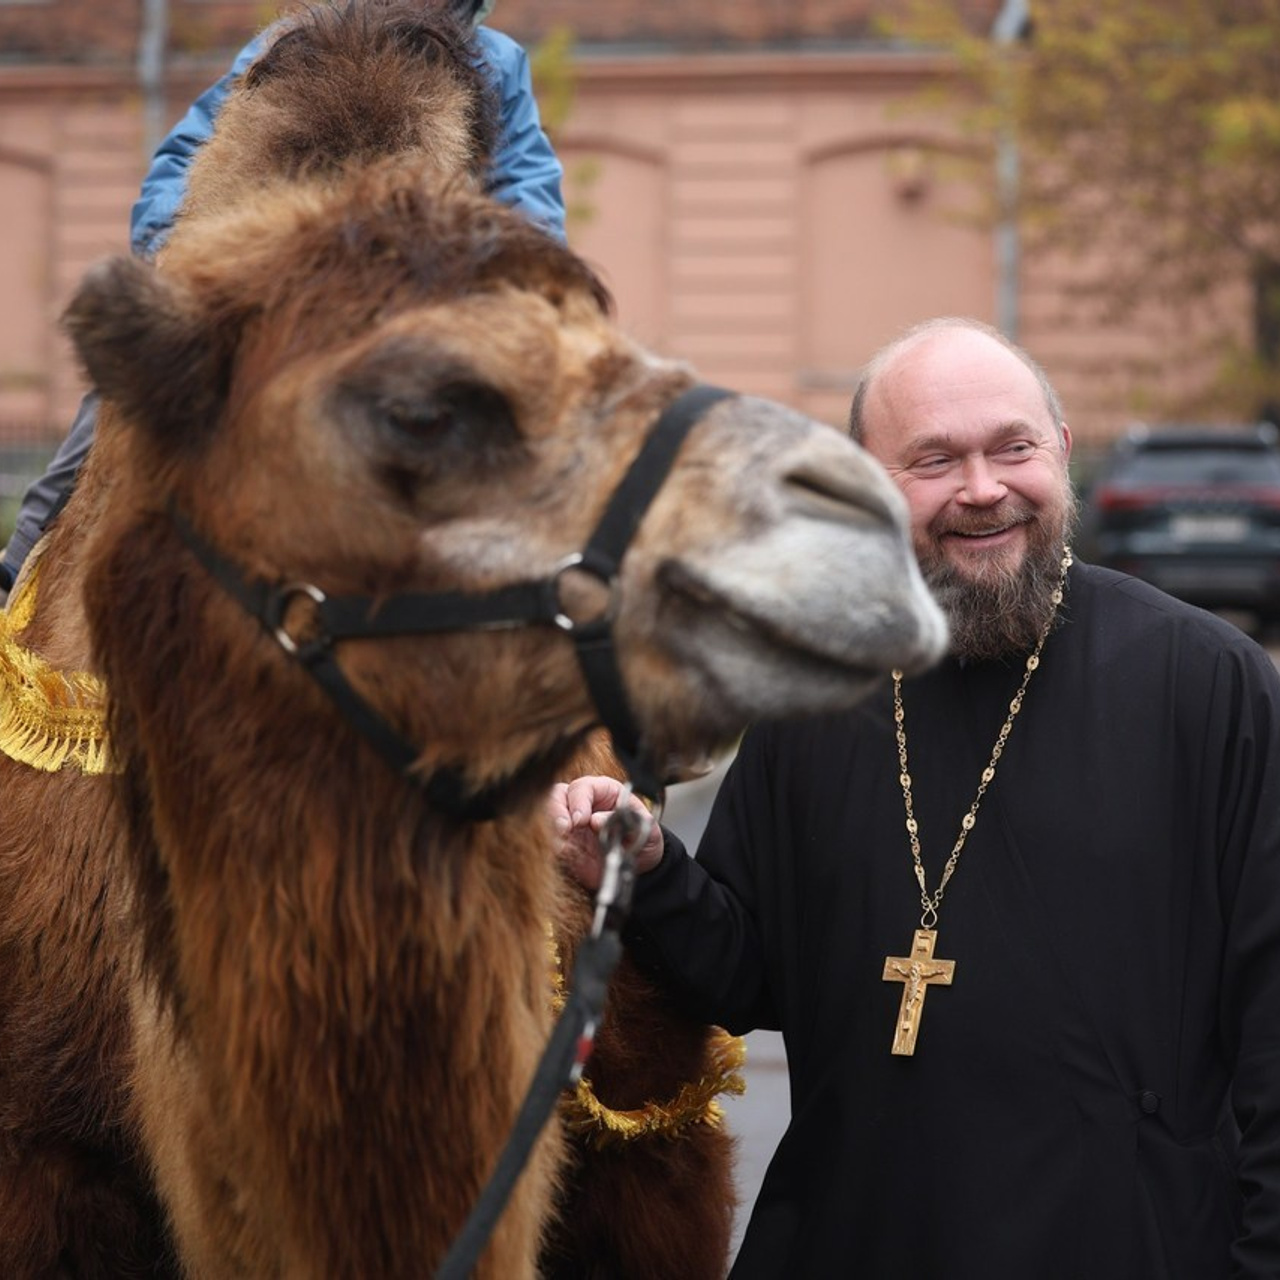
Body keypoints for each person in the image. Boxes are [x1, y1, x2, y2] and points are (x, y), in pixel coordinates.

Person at [552, 317, 1280, 1278]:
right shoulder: (818, 684)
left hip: (1123, 1240)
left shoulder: (1207, 683)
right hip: (860, 1234)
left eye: (1013, 449)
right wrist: (650, 866)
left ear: (1059, 454)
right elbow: (746, 975)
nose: (983, 490)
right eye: (934, 460)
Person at [0, 0, 563, 594]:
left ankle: (546, 595)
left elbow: (529, 194)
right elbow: (188, 158)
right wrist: (182, 250)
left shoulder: (494, 63)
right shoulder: (291, 40)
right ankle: (21, 563)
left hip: (411, 288)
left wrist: (497, 273)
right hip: (271, 276)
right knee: (124, 400)